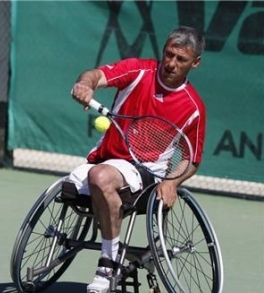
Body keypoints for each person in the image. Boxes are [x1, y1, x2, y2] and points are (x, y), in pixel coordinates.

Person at [69, 26, 206, 293]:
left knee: (100, 177)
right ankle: (118, 245)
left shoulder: (194, 108)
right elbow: (96, 75)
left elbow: (192, 158)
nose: (171, 63)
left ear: (195, 63)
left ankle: (108, 265)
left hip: (147, 173)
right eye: (169, 54)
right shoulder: (138, 71)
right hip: (105, 159)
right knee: (73, 184)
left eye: (181, 59)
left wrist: (172, 182)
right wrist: (85, 84)